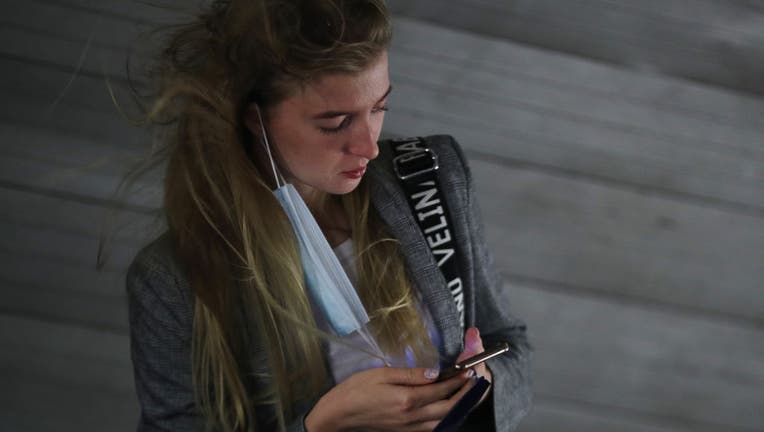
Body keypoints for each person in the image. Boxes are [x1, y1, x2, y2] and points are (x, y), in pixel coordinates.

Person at [126, 0, 532, 431]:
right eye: (336, 123)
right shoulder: (175, 278)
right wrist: (322, 423)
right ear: (255, 119)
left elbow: (512, 347)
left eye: (379, 108)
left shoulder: (430, 177)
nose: (369, 146)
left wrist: (484, 388)